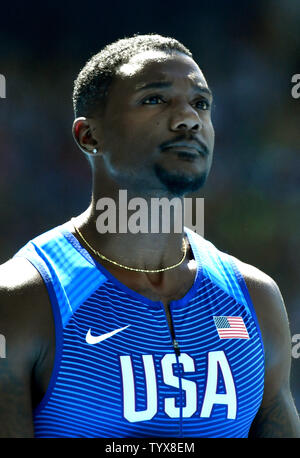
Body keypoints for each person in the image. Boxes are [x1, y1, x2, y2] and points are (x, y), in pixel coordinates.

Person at [0, 34, 299, 439]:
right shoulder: (23, 300)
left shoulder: (256, 299)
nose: (188, 119)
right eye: (154, 99)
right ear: (89, 136)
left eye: (201, 104)